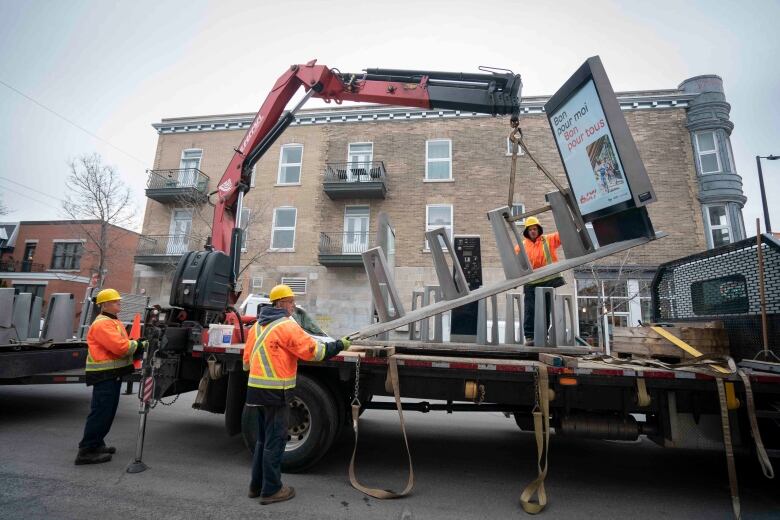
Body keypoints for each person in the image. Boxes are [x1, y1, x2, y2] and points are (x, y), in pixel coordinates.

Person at [243, 284, 351, 504]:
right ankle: (271, 490)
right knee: (276, 441)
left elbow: (246, 362)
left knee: (263, 441)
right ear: (282, 304)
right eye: (291, 302)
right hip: (276, 392)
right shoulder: (286, 327)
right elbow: (314, 351)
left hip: (256, 391)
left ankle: (256, 485)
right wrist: (339, 345)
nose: (293, 306)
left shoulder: (256, 327)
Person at [75, 288, 145, 465]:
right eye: (115, 301)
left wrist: (135, 345)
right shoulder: (103, 324)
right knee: (101, 412)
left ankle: (97, 443)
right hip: (104, 374)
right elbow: (120, 347)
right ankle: (86, 451)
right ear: (105, 304)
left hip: (111, 374)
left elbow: (122, 346)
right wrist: (138, 344)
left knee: (107, 412)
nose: (119, 303)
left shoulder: (113, 321)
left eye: (118, 300)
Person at [514, 217, 565, 345]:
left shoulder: (548, 240)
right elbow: (514, 263)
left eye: (535, 229)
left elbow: (563, 234)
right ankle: (530, 337)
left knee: (545, 310)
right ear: (526, 231)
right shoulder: (522, 246)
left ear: (539, 229)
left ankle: (543, 336)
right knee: (530, 310)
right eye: (530, 229)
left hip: (548, 281)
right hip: (531, 282)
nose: (533, 231)